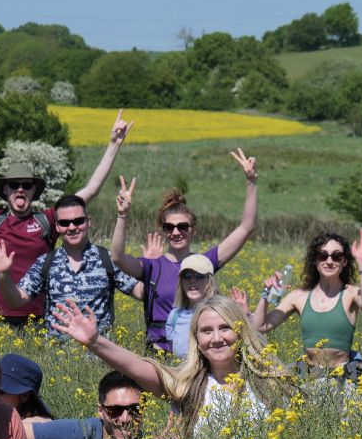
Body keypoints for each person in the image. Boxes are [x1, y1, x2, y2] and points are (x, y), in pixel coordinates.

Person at [0, 94, 133, 326]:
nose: (20, 190)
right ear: (5, 190)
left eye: (26, 185)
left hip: (41, 320)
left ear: (34, 191)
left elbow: (92, 189)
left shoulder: (50, 220)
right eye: (14, 185)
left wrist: (114, 144)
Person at [51, 295, 295, 439]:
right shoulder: (188, 387)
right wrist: (95, 342)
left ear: (240, 331)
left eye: (225, 327)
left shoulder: (271, 382)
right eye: (207, 331)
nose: (217, 338)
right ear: (197, 341)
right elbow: (138, 366)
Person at [109, 151, 259, 352]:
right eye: (169, 228)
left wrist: (250, 181)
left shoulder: (204, 263)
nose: (176, 232)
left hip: (200, 353)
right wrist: (122, 215)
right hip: (160, 354)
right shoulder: (153, 266)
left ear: (193, 230)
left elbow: (246, 228)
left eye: (182, 226)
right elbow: (117, 257)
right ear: (164, 231)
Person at [0, 194, 141, 337]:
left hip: (101, 360)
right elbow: (17, 300)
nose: (72, 227)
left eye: (78, 221)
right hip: (58, 360)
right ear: (57, 227)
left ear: (88, 222)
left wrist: (153, 269)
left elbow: (140, 292)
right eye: (64, 223)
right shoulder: (46, 262)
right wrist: (3, 274)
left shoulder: (106, 259)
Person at [253, 231, 362, 372]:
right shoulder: (298, 296)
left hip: (344, 378)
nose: (329, 261)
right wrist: (266, 295)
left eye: (337, 257)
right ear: (315, 260)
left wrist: (361, 262)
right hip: (310, 378)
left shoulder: (350, 293)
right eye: (322, 256)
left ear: (345, 262)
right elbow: (260, 326)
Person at [165, 254, 248, 360]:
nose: (192, 280)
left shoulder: (222, 313)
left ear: (209, 281)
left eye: (199, 276)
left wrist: (244, 317)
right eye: (187, 276)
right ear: (181, 282)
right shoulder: (174, 316)